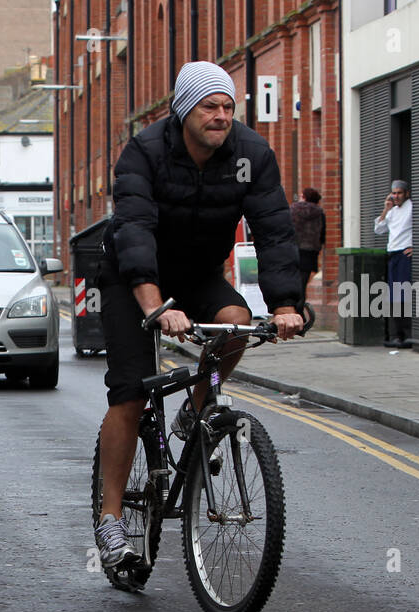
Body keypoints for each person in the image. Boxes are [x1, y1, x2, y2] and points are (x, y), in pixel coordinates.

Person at [94, 61, 305, 569]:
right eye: (210, 105)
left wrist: (284, 306)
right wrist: (154, 306)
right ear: (184, 109)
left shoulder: (251, 154)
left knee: (235, 321)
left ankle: (197, 409)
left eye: (229, 106)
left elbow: (273, 230)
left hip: (197, 272)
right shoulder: (144, 152)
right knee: (131, 391)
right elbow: (135, 227)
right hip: (131, 275)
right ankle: (111, 519)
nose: (221, 115)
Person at [374, 179, 414, 348]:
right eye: (394, 193)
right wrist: (386, 208)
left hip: (405, 254)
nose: (396, 196)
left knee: (403, 295)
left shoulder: (412, 207)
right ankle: (397, 335)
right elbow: (379, 229)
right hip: (393, 255)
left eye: (399, 193)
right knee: (394, 297)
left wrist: (416, 246)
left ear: (406, 194)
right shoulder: (391, 211)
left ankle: (406, 335)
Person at [290, 187, 326, 305]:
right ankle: (300, 308)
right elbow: (322, 233)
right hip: (310, 252)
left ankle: (292, 307)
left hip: (293, 249)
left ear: (304, 197)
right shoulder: (319, 212)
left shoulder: (293, 210)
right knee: (303, 282)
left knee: (290, 280)